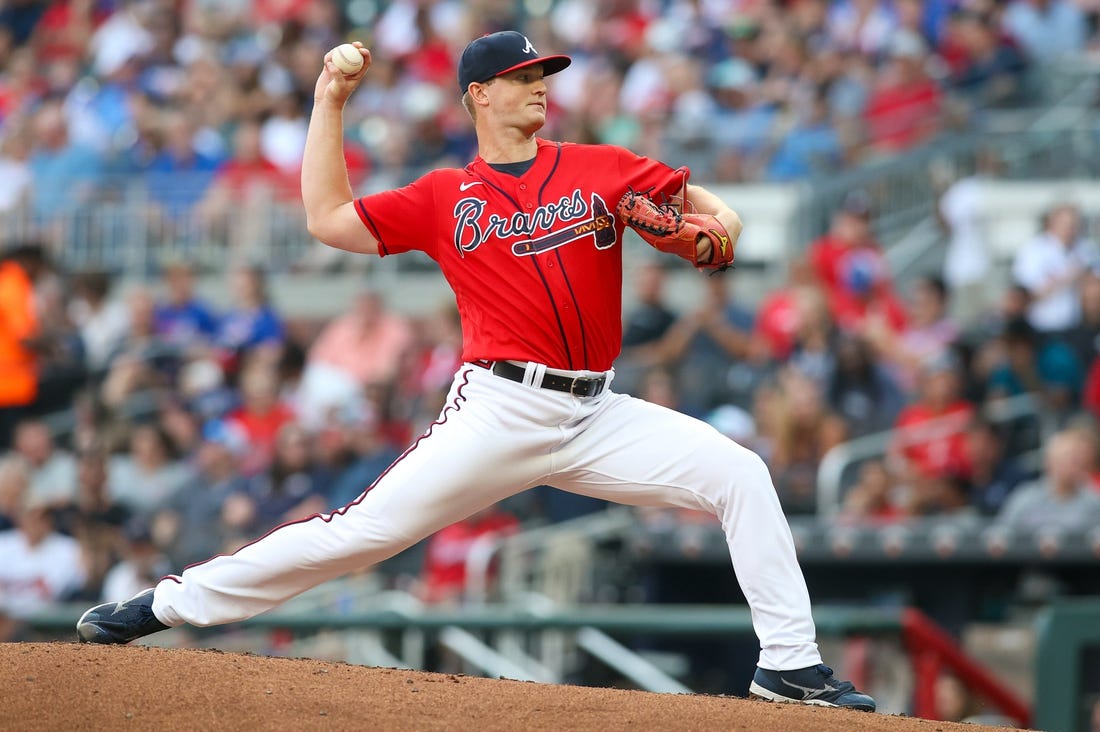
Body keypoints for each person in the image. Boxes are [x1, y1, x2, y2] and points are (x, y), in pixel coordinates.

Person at [77, 31, 875, 712]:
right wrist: (330, 99)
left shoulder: (601, 167)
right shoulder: (441, 193)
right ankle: (164, 604)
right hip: (497, 409)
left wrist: (719, 230)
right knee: (358, 534)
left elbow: (708, 206)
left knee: (740, 474)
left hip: (596, 413)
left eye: (543, 78)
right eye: (523, 79)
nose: (539, 90)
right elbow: (327, 219)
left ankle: (788, 666)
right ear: (478, 96)